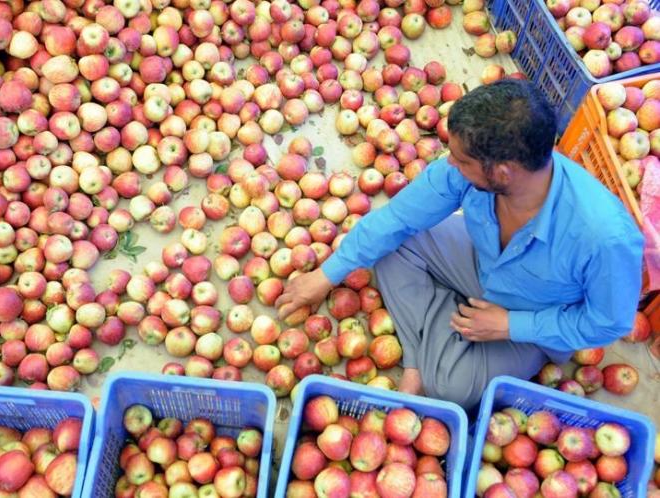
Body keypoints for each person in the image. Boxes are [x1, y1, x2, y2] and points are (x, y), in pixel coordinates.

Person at [275, 79, 645, 411]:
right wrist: (326, 275)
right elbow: (398, 217)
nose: (450, 162)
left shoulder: (604, 237)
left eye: (462, 160)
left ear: (502, 172)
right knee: (393, 243)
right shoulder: (468, 172)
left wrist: (509, 325)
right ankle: (420, 357)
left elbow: (607, 323)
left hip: (534, 312)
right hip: (480, 261)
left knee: (449, 389)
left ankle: (430, 349)